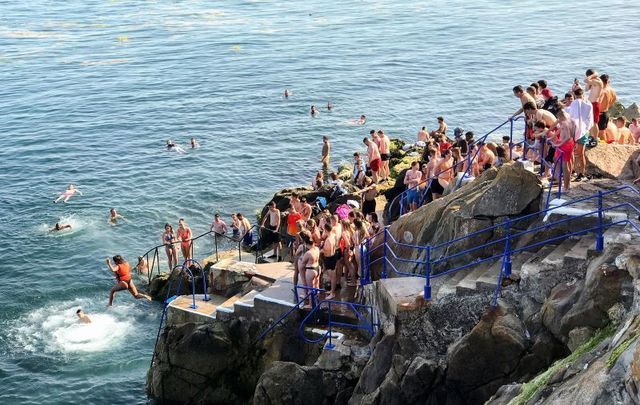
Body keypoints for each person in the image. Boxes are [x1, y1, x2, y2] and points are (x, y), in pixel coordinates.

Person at [567, 88, 593, 181]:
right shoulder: (588, 104)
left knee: (574, 152)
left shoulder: (574, 104)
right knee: (580, 153)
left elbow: (571, 116)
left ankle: (574, 171)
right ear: (583, 95)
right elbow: (590, 119)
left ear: (574, 95)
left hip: (574, 131)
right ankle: (580, 173)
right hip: (584, 131)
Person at [551, 108, 576, 191]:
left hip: (565, 145)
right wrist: (553, 136)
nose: (558, 119)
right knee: (556, 159)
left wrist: (558, 144)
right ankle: (559, 180)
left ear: (560, 115)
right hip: (569, 143)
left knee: (565, 166)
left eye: (558, 117)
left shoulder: (565, 123)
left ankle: (566, 186)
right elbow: (561, 129)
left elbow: (568, 136)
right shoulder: (570, 120)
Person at [300, 232, 320, 305]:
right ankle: (317, 299)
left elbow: (302, 264)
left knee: (310, 289)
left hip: (310, 270)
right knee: (317, 285)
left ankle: (311, 304)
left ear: (306, 243)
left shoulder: (308, 253)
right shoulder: (317, 249)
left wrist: (301, 258)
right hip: (317, 268)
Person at [597, 74, 617, 141]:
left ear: (601, 81)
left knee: (601, 132)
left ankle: (603, 144)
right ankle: (603, 143)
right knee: (603, 130)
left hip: (600, 113)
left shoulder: (602, 91)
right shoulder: (612, 90)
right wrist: (608, 105)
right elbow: (614, 99)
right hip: (606, 112)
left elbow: (598, 102)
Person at [321, 223, 338, 300]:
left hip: (329, 258)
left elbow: (327, 250)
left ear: (325, 230)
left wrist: (320, 250)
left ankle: (333, 293)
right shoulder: (333, 236)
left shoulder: (328, 239)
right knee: (332, 277)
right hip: (333, 256)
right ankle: (331, 290)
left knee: (332, 276)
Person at [585, 69, 603, 138]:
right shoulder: (593, 82)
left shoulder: (598, 81)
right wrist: (589, 82)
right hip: (591, 103)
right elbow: (586, 89)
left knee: (595, 122)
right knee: (591, 121)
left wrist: (593, 75)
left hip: (595, 103)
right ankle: (591, 136)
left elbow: (586, 80)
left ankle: (595, 138)